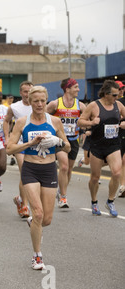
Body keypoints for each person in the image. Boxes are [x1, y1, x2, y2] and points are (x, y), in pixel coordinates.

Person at [6, 85, 70, 270]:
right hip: (31, 169)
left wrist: (59, 142)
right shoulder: (22, 122)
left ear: (46, 101)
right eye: (36, 101)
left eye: (42, 100)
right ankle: (37, 256)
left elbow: (68, 148)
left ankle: (33, 222)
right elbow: (10, 148)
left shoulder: (55, 122)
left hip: (49, 169)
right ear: (30, 102)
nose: (40, 104)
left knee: (46, 219)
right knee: (38, 213)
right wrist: (29, 143)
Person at [78, 80, 125, 217]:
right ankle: (94, 201)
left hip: (113, 145)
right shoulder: (94, 106)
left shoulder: (118, 105)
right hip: (97, 146)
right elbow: (80, 122)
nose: (117, 97)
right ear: (106, 94)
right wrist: (91, 122)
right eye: (115, 95)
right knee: (95, 177)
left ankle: (110, 201)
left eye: (118, 95)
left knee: (116, 173)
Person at [46, 78, 87, 208]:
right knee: (63, 166)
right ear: (67, 89)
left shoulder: (80, 105)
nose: (78, 89)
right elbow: (43, 117)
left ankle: (61, 192)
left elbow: (86, 120)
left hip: (74, 140)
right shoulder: (55, 104)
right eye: (76, 87)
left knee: (69, 169)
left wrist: (85, 129)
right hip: (60, 140)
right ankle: (63, 198)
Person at [3, 81, 33, 217]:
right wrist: (7, 137)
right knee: (25, 171)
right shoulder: (14, 107)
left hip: (35, 144)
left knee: (31, 175)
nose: (28, 94)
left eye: (30, 91)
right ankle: (24, 206)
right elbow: (6, 121)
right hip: (20, 144)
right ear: (21, 93)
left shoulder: (39, 105)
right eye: (25, 92)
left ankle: (20, 199)